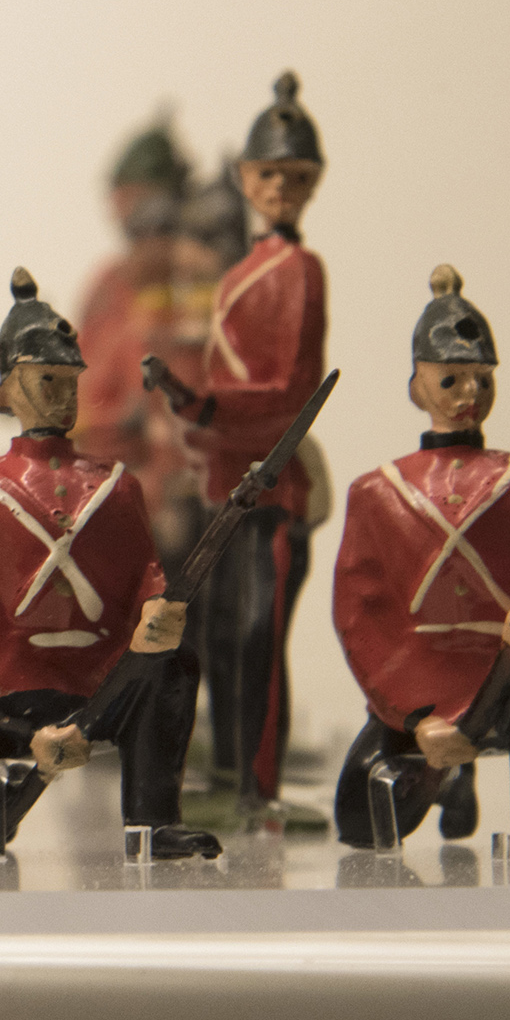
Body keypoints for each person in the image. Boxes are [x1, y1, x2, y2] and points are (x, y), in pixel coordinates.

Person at [0, 272, 217, 859]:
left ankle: (154, 820)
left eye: (68, 382)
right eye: (44, 381)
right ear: (7, 392)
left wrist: (156, 608)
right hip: (5, 692)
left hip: (99, 679)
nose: (60, 395)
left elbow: (141, 573)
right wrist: (18, 722)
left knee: (173, 665)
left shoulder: (116, 485)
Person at [330, 267, 510, 855]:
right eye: (451, 380)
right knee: (362, 828)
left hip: (505, 670)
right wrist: (415, 717)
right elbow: (360, 620)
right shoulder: (377, 491)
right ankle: (448, 783)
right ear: (418, 388)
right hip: (417, 678)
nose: (469, 395)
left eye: (481, 380)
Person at [177, 72, 333, 804]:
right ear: (246, 178)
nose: (280, 187)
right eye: (269, 173)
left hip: (271, 485)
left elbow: (283, 394)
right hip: (226, 482)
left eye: (294, 176)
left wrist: (206, 410)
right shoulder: (247, 268)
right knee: (222, 634)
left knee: (258, 637)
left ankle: (258, 781)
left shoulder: (299, 270)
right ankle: (232, 769)